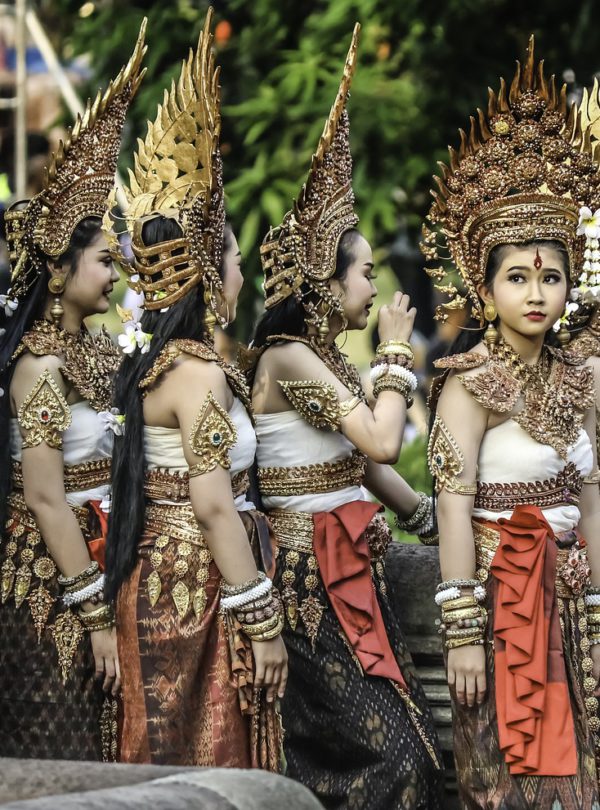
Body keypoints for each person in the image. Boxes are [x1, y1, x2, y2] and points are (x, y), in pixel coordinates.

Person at [250, 24, 443, 810]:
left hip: (353, 571)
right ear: (326, 285)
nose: (373, 285)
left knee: (418, 744)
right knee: (392, 761)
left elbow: (364, 465)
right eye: (363, 272)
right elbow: (382, 437)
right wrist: (398, 355)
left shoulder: (326, 359)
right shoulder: (290, 358)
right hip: (308, 586)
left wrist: (430, 516)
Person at [105, 10, 286, 769]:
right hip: (199, 588)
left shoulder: (159, 365)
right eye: (235, 258)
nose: (243, 274)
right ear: (211, 273)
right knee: (206, 767)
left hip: (160, 575)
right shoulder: (198, 374)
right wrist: (262, 614)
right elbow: (213, 502)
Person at [423, 37, 600, 808]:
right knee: (510, 782)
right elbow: (451, 507)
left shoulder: (582, 377)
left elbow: (592, 495)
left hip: (576, 605)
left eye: (551, 276)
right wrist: (462, 628)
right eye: (518, 276)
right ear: (486, 288)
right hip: (502, 609)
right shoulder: (469, 388)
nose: (537, 293)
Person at [0, 24, 146, 760]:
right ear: (59, 271)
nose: (116, 268)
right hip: (52, 586)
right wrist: (89, 611)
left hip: (100, 558)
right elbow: (47, 496)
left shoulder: (93, 351)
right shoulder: (38, 367)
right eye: (102, 257)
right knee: (61, 754)